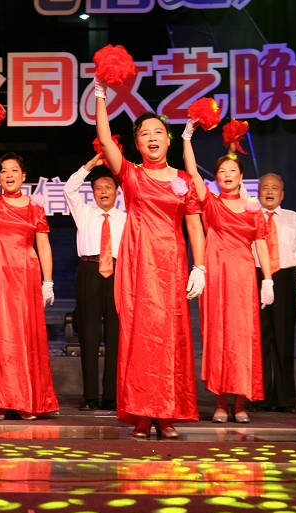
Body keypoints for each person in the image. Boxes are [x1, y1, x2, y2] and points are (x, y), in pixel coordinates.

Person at [94, 76, 206, 439]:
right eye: (145, 133)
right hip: (138, 265)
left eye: (158, 132)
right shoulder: (131, 174)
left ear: (168, 140)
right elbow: (105, 139)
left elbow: (194, 226)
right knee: (141, 336)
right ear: (138, 143)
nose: (152, 137)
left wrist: (200, 267)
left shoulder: (184, 181)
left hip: (171, 266)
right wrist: (100, 93)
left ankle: (166, 413)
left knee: (170, 336)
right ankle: (143, 412)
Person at [182, 124, 273, 424]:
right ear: (217, 178)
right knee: (218, 336)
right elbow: (192, 173)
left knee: (242, 338)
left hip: (243, 277)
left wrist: (268, 279)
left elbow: (261, 244)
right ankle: (221, 402)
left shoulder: (253, 209)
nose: (227, 174)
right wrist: (186, 138)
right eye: (221, 171)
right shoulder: (211, 202)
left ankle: (240, 402)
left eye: (232, 170)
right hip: (216, 276)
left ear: (241, 176)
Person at [0, 126, 58, 420]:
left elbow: (43, 245)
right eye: (4, 171)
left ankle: (25, 399)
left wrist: (48, 281)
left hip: (26, 276)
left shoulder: (35, 207)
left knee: (24, 335)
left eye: (14, 170)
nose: (9, 175)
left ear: (24, 175)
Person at [63, 153, 126, 412]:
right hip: (89, 271)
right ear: (93, 193)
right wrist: (90, 165)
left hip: (118, 273)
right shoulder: (85, 213)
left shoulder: (127, 218)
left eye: (108, 187)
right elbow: (69, 188)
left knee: (115, 336)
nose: (103, 192)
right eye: (98, 188)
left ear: (117, 192)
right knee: (89, 335)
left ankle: (111, 396)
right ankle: (90, 397)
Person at [252, 173, 296, 414]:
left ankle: (286, 399)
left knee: (284, 339)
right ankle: (260, 398)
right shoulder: (251, 217)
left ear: (282, 194)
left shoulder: (293, 218)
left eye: (274, 188)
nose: (269, 192)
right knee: (260, 339)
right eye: (265, 187)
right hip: (257, 277)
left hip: (285, 280)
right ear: (258, 192)